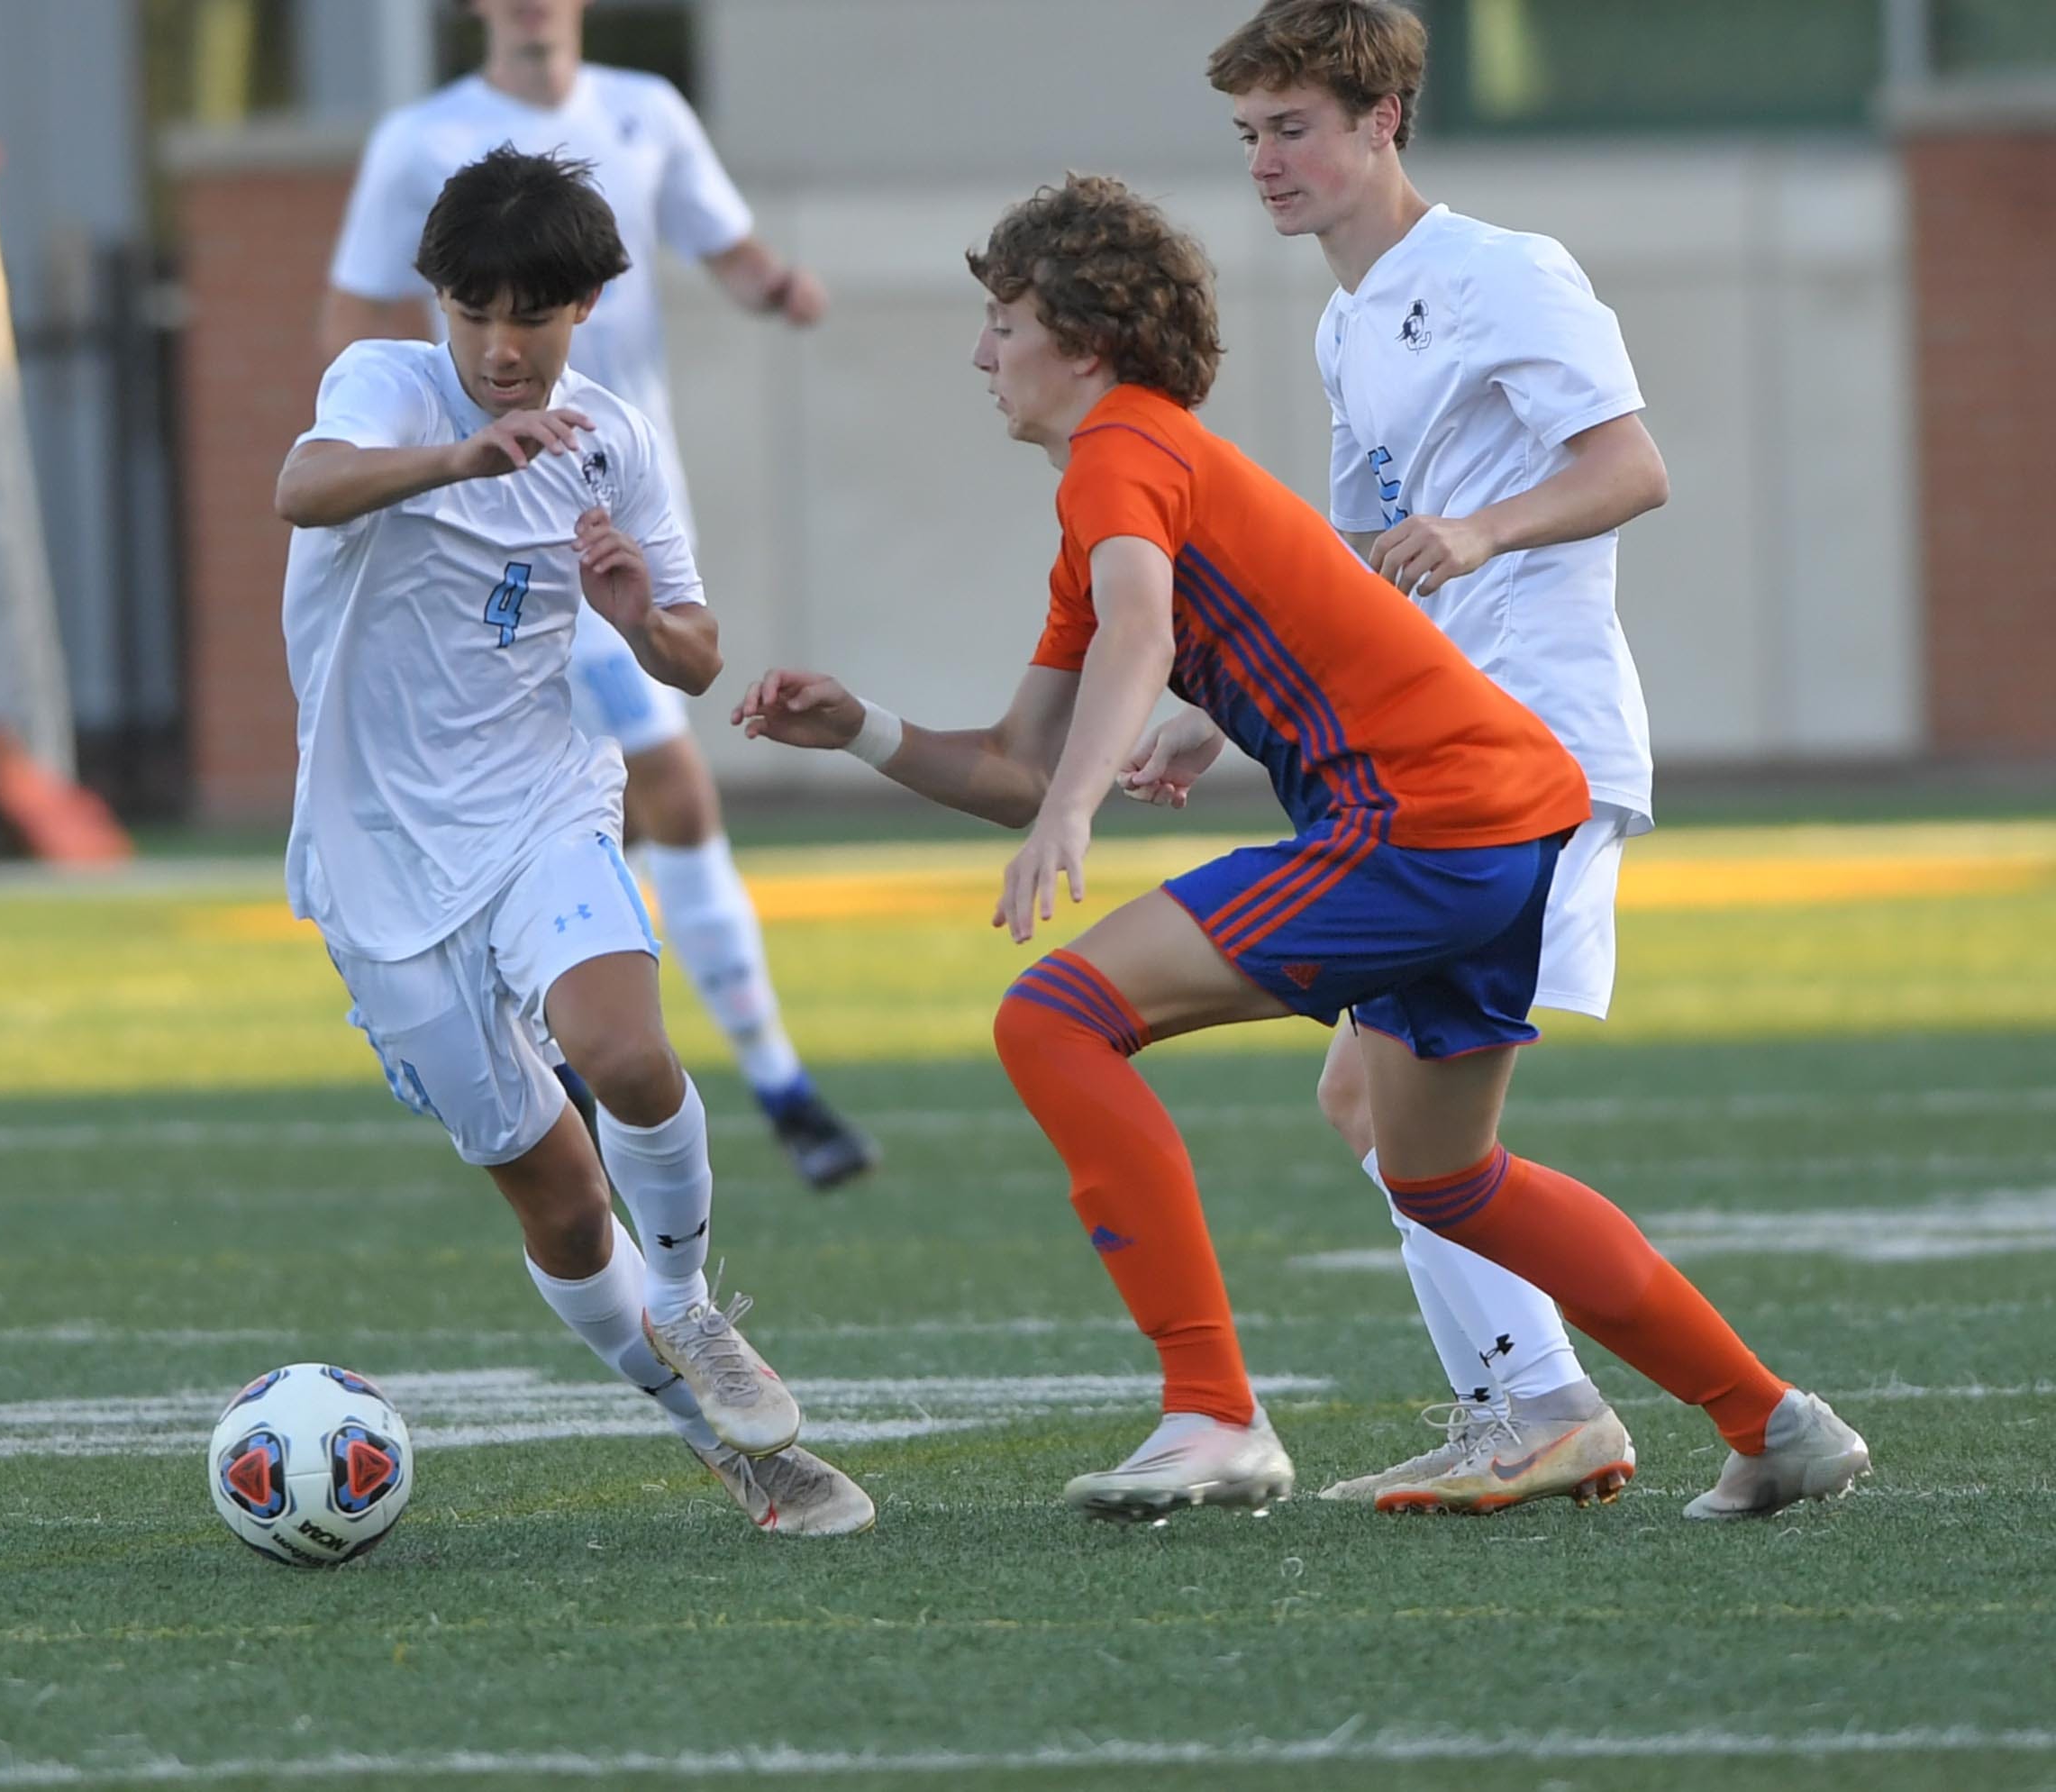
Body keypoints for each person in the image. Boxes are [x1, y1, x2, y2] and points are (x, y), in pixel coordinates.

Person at [732, 173, 1869, 1524]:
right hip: (1500, 818)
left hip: (1424, 821)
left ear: (1085, 343)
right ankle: (1772, 1418)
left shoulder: (1120, 453)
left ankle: (1212, 1412)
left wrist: (1076, 810)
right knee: (1448, 1176)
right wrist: (862, 729)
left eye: (1003, 320)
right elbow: (1014, 761)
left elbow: (1137, 647)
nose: (983, 352)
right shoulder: (1116, 479)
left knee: (1054, 1017)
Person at [1108, 0, 1669, 1512]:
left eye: (1292, 129)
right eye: (1249, 135)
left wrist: (1483, 528)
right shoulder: (1349, 318)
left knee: (1390, 1109)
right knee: (1372, 1105)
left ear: (1383, 122)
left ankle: (1572, 1405)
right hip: (1432, 767)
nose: (1266, 164)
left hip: (1527, 750)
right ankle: (1541, 1403)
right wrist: (1218, 708)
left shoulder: (1503, 273)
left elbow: (1633, 465)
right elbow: (1351, 565)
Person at [277, 144, 873, 1536]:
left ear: (587, 305)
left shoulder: (613, 436)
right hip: (375, 861)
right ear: (438, 300)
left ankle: (691, 1309)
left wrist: (635, 618)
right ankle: (728, 1446)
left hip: (541, 800)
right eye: (473, 312)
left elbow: (693, 649)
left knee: (624, 1053)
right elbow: (303, 487)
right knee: (554, 1194)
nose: (500, 346)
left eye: (530, 318)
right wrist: (456, 457)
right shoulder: (388, 386)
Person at [321, 0, 876, 1190]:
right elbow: (358, 312)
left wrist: (780, 286)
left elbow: (723, 241)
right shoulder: (419, 141)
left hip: (595, 532)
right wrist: (371, 453)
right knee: (617, 798)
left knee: (669, 792)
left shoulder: (645, 112)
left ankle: (771, 1079)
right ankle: (582, 1053)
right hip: (463, 551)